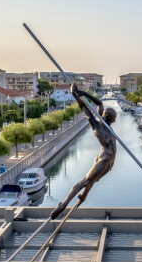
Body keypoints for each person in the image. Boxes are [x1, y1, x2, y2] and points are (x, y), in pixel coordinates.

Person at [50, 83, 117, 219]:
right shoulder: (97, 125)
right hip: (105, 158)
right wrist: (74, 94)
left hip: (110, 161)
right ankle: (63, 205)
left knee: (93, 180)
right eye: (113, 119)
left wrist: (85, 93)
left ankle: (83, 197)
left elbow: (99, 102)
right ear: (109, 117)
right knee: (85, 181)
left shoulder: (106, 122)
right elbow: (84, 107)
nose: (114, 122)